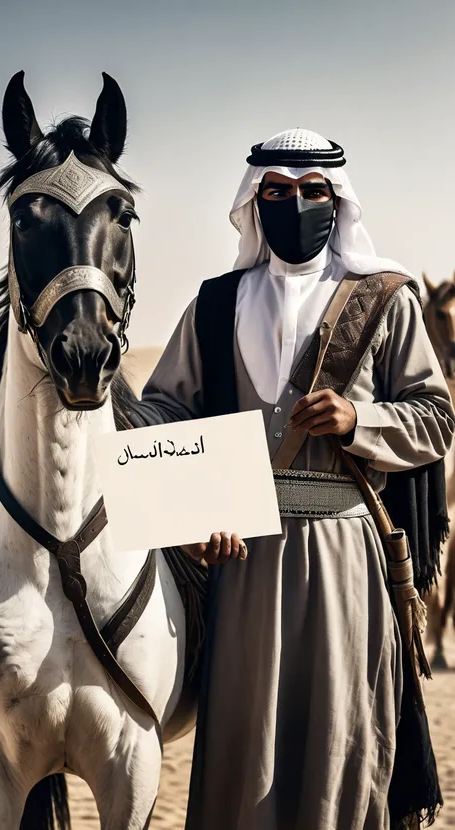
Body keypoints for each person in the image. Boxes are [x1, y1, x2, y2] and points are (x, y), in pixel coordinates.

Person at [125, 128, 455, 830]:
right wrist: (189, 507)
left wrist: (359, 420)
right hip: (243, 561)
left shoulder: (385, 299)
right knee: (247, 753)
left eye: (312, 192)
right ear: (254, 201)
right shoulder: (215, 305)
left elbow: (436, 418)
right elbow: (160, 411)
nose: (295, 204)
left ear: (337, 202)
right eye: (276, 192)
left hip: (347, 565)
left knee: (339, 742)